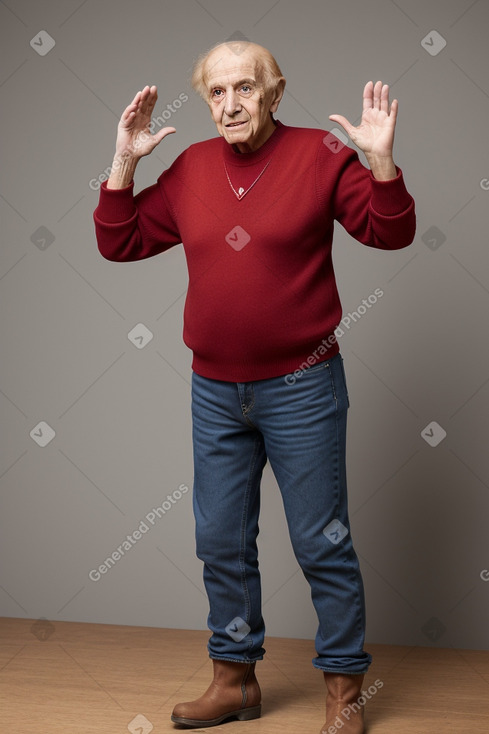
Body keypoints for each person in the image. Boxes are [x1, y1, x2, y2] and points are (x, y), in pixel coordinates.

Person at [93, 40, 415, 734]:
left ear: (274, 92)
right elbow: (119, 242)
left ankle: (342, 692)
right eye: (216, 92)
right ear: (205, 100)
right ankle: (234, 680)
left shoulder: (320, 157)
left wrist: (379, 161)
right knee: (221, 539)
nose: (230, 104)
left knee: (320, 541)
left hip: (301, 386)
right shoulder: (191, 169)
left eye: (245, 88)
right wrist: (124, 159)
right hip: (214, 390)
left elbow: (389, 234)